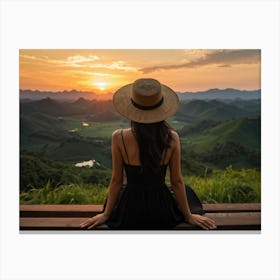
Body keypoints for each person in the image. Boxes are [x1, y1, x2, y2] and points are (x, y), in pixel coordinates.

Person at [80, 78, 216, 230]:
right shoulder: (172, 138)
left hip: (129, 211)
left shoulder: (118, 137)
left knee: (123, 191)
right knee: (188, 191)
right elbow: (176, 182)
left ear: (132, 108)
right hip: (161, 211)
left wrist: (106, 214)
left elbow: (116, 181)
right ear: (161, 109)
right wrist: (188, 216)